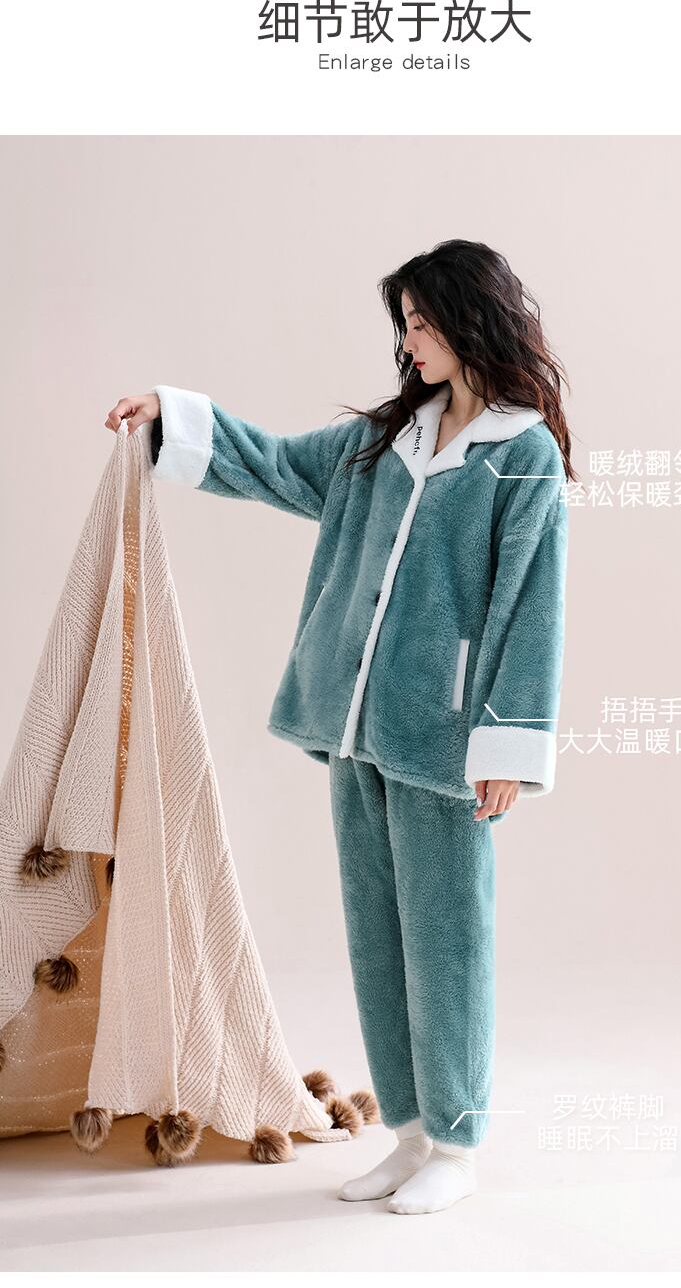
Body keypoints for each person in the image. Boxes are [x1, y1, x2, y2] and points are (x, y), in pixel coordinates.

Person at [104, 238, 575, 1215]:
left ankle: (456, 1144)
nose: (409, 343)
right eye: (403, 325)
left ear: (469, 319)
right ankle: (409, 1135)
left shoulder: (522, 455)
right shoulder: (382, 443)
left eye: (421, 322)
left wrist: (506, 743)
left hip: (445, 741)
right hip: (355, 728)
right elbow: (275, 464)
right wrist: (168, 415)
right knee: (377, 939)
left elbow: (534, 606)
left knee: (447, 942)